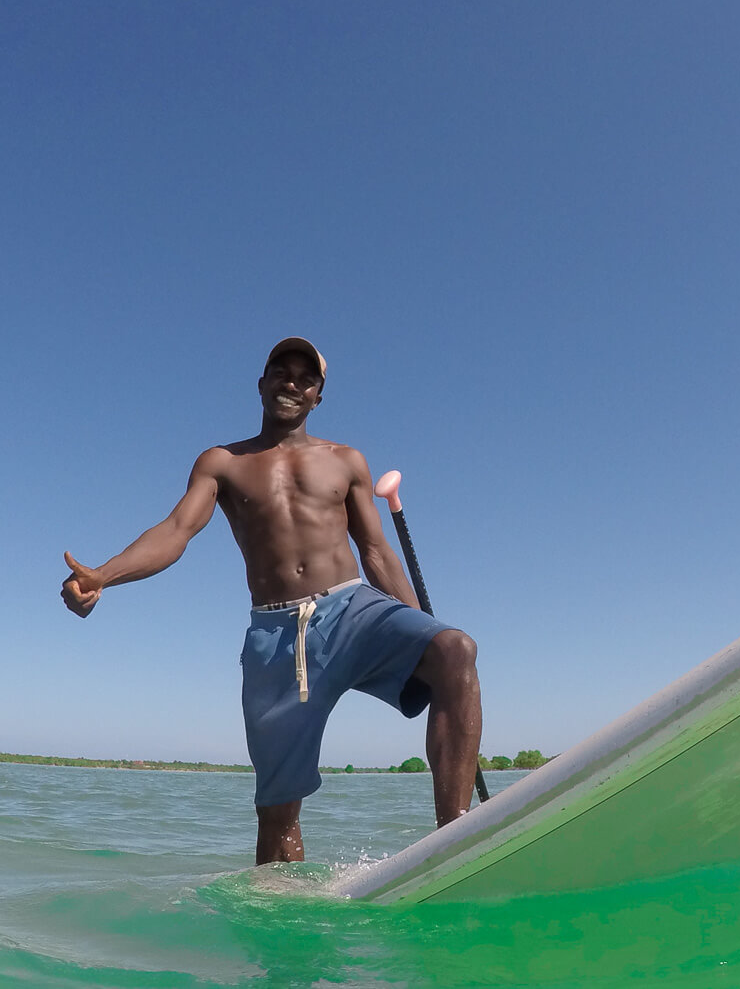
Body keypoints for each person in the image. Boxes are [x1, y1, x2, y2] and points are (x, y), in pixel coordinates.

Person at [60, 338, 482, 865]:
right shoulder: (223, 462)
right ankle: (285, 917)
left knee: (454, 649)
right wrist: (104, 575)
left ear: (317, 397)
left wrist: (421, 627)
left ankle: (455, 838)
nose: (291, 382)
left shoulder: (347, 460)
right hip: (277, 634)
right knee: (277, 815)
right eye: (280, 372)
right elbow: (176, 530)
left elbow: (374, 550)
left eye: (305, 378)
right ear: (261, 384)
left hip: (353, 608)